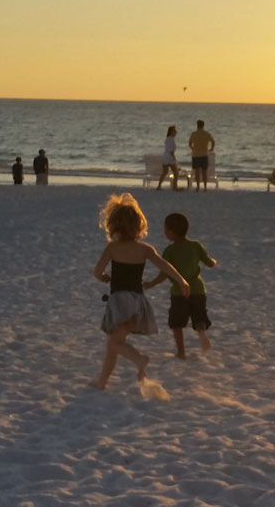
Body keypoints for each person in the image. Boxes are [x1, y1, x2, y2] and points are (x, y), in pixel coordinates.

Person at [92, 194, 189, 391]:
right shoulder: (145, 249)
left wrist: (104, 278)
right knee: (114, 343)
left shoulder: (112, 248)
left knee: (114, 342)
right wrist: (182, 281)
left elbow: (97, 272)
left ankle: (140, 359)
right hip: (137, 302)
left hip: (120, 302)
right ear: (138, 225)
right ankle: (102, 381)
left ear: (113, 224)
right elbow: (166, 266)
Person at [148, 209, 216, 357]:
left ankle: (181, 351)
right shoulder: (196, 245)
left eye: (166, 229)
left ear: (172, 232)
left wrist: (151, 283)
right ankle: (202, 333)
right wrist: (213, 262)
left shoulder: (170, 250)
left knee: (177, 323)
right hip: (198, 289)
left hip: (179, 292)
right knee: (199, 316)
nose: (165, 232)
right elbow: (209, 262)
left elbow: (164, 273)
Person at [188, 118, 216, 189]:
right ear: (203, 125)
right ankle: (205, 187)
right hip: (204, 154)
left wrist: (193, 148)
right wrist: (211, 148)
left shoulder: (194, 134)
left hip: (195, 155)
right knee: (204, 172)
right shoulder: (206, 134)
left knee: (197, 172)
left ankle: (198, 187)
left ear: (197, 125)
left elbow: (190, 144)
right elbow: (213, 141)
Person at [157, 126, 179, 190]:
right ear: (172, 132)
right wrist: (174, 158)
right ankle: (175, 186)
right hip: (169, 157)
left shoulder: (167, 139)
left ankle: (159, 186)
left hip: (165, 156)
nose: (176, 132)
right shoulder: (171, 139)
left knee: (165, 172)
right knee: (176, 172)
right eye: (175, 131)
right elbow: (171, 151)